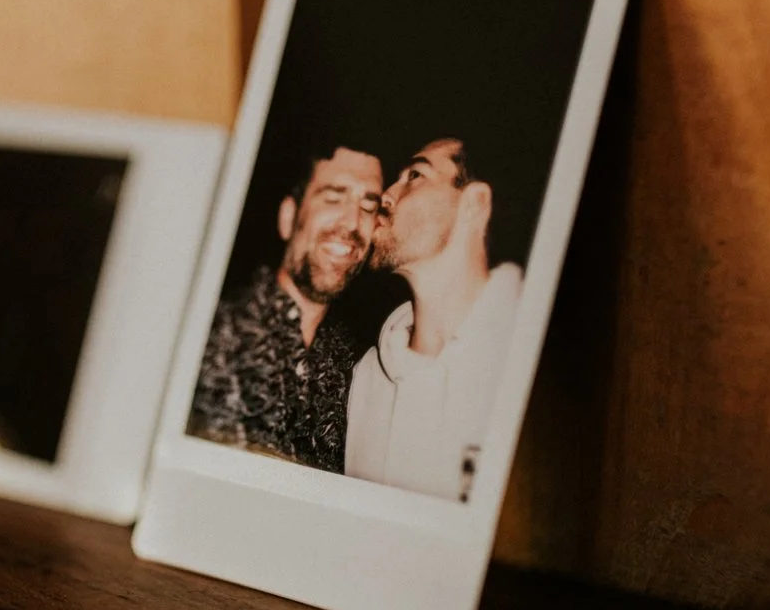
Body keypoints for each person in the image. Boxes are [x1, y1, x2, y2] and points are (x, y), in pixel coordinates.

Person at [346, 138, 523, 500]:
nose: (386, 195)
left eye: (415, 175)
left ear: (475, 203)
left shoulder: (526, 357)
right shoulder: (366, 379)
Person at [188, 143, 382, 471]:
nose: (353, 222)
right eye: (334, 196)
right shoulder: (211, 336)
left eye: (368, 205)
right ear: (288, 218)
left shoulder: (356, 372)